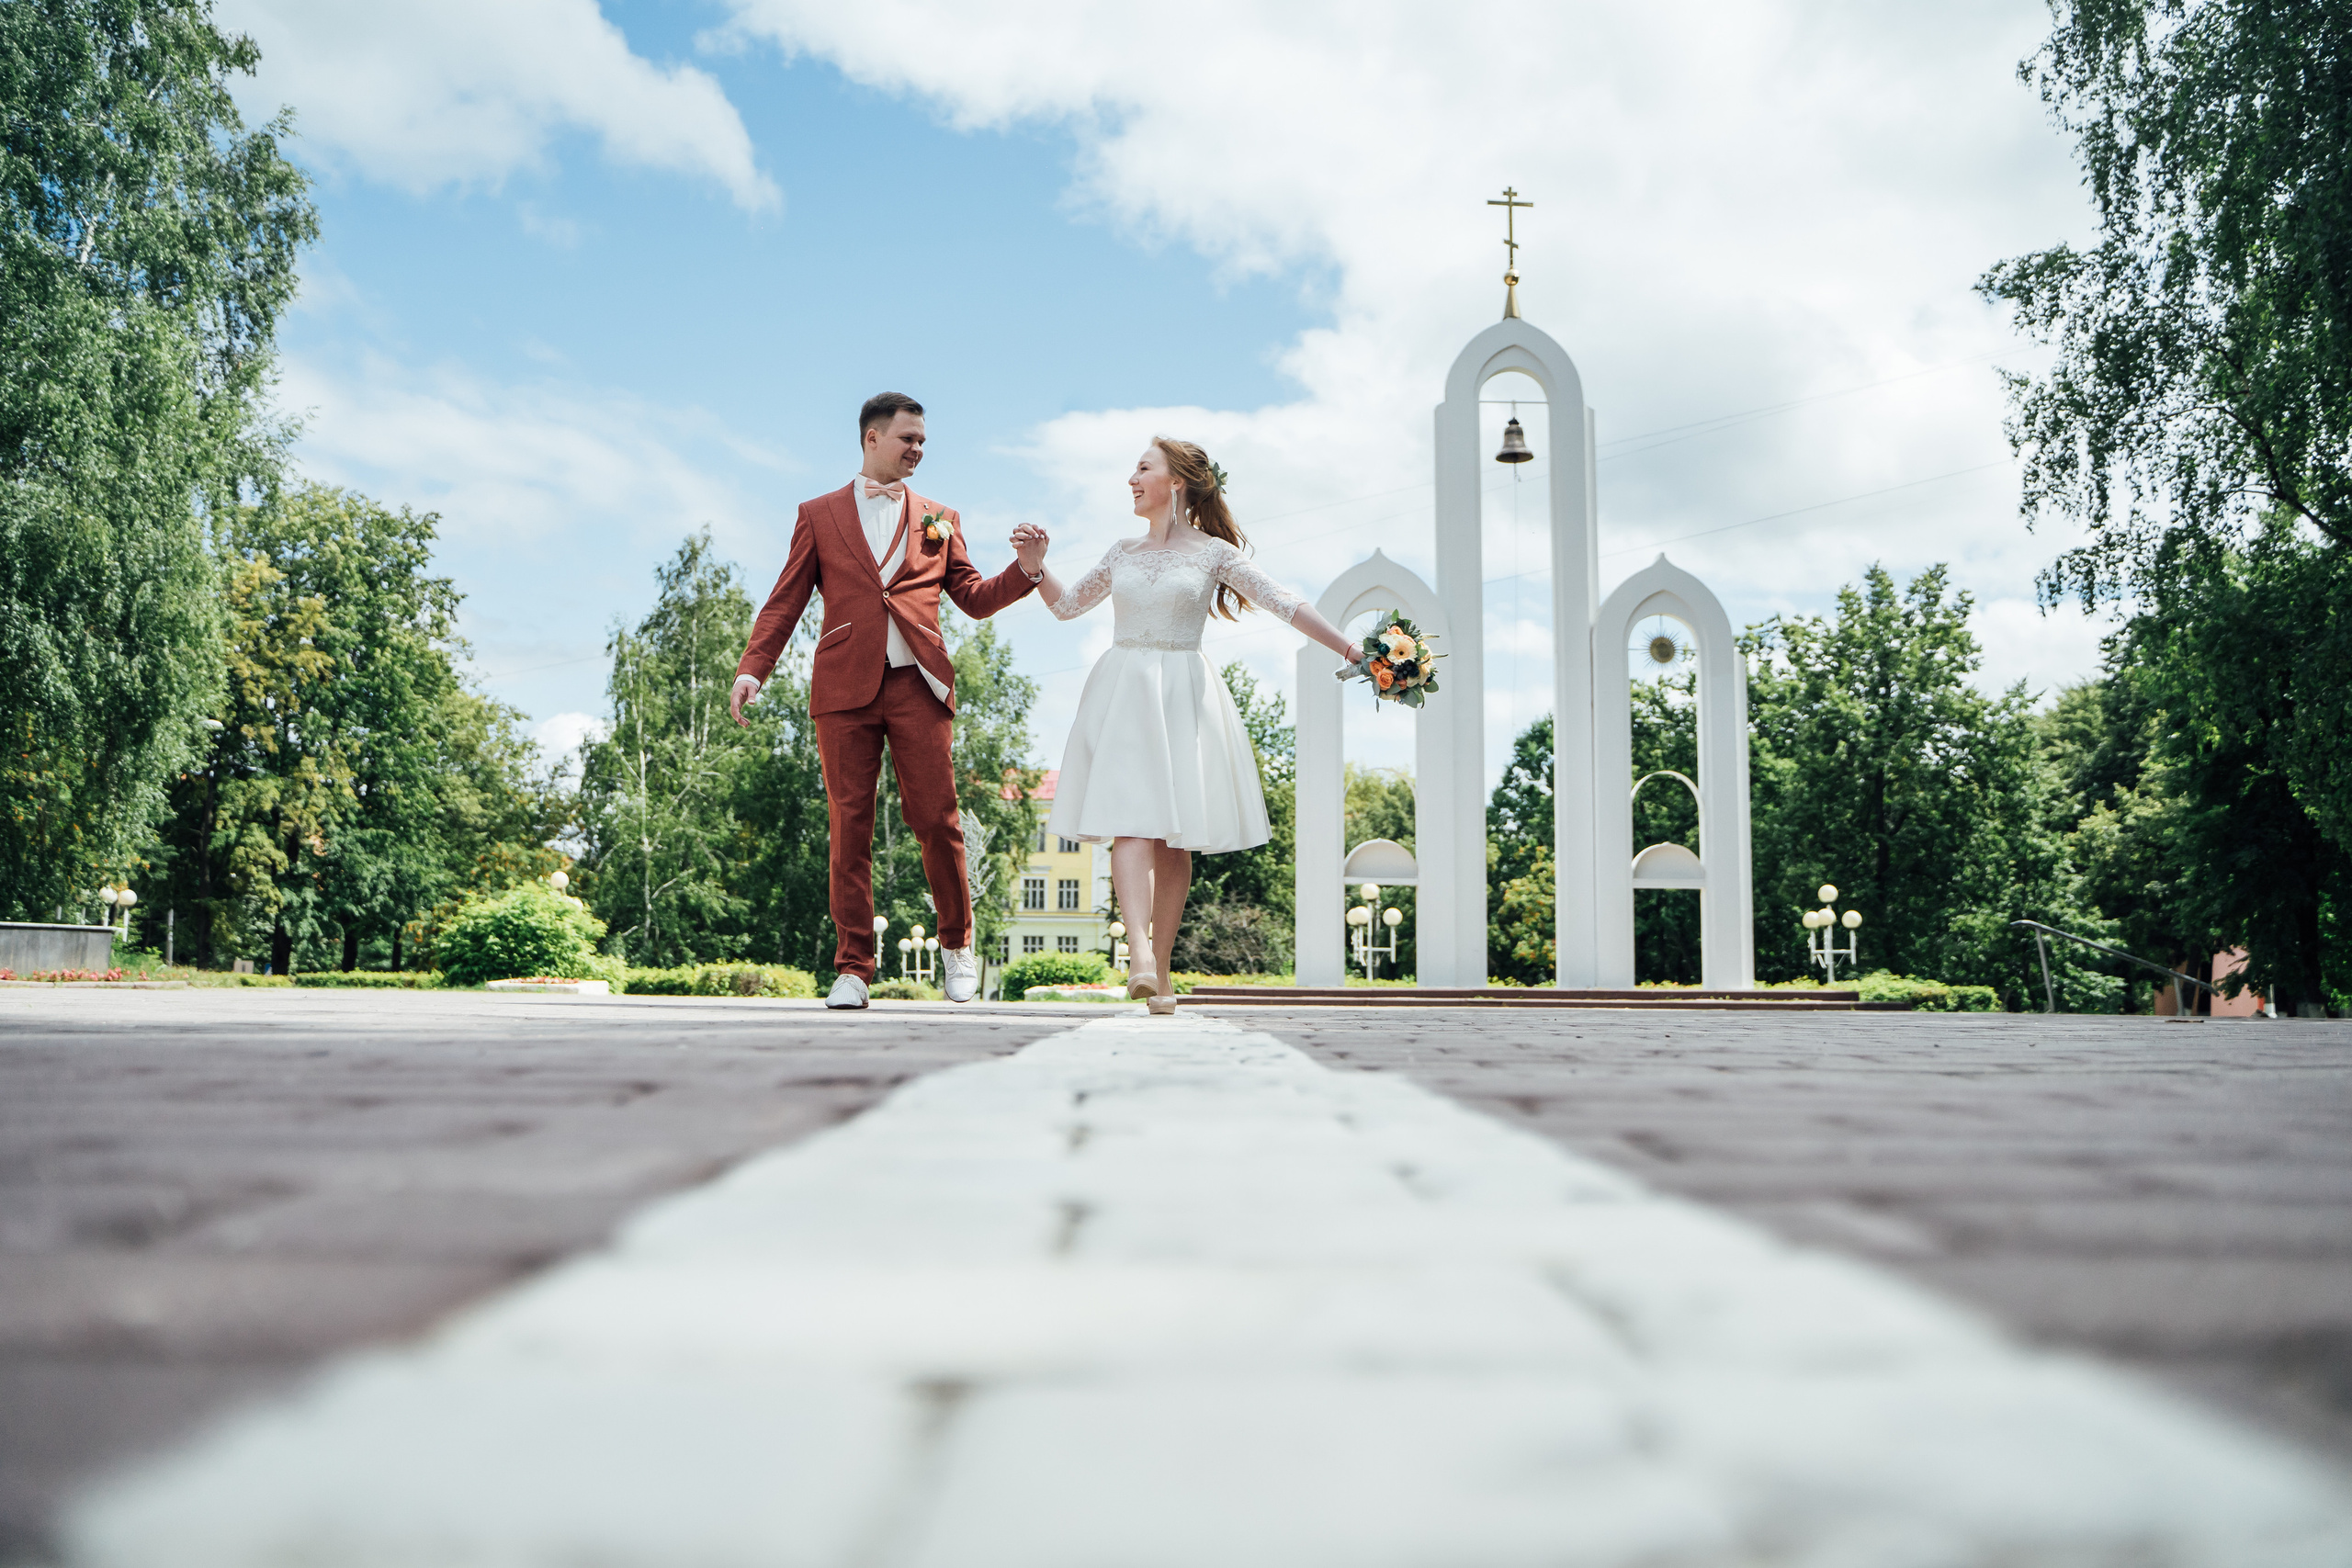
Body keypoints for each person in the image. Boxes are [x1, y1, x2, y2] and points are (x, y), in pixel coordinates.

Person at [730, 392, 1049, 1009]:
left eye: (923, 440)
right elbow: (785, 599)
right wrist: (753, 669)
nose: (918, 449)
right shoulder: (818, 514)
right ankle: (853, 968)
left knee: (937, 821)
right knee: (848, 826)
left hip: (918, 686)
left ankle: (956, 946)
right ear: (872, 438)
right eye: (908, 438)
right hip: (844, 689)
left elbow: (974, 597)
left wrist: (1027, 570)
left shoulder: (940, 517)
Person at [1031, 436, 1362, 1013]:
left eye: (1143, 468)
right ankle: (1138, 954)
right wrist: (1035, 568)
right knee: (1130, 823)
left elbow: (1284, 602)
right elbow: (1066, 607)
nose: (1131, 479)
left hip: (1183, 695)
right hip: (1123, 692)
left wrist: (1352, 649)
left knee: (1172, 841)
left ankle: (1160, 971)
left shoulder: (1214, 554)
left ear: (1177, 481)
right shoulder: (1121, 552)